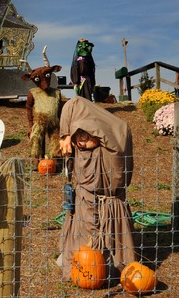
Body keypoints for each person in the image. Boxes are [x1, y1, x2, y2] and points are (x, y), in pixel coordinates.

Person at [58, 96, 135, 282]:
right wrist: (67, 136)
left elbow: (117, 140)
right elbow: (73, 106)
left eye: (87, 135)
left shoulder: (113, 140)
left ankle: (106, 264)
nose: (82, 142)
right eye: (79, 137)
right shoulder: (80, 150)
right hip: (85, 203)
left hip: (104, 202)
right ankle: (81, 262)